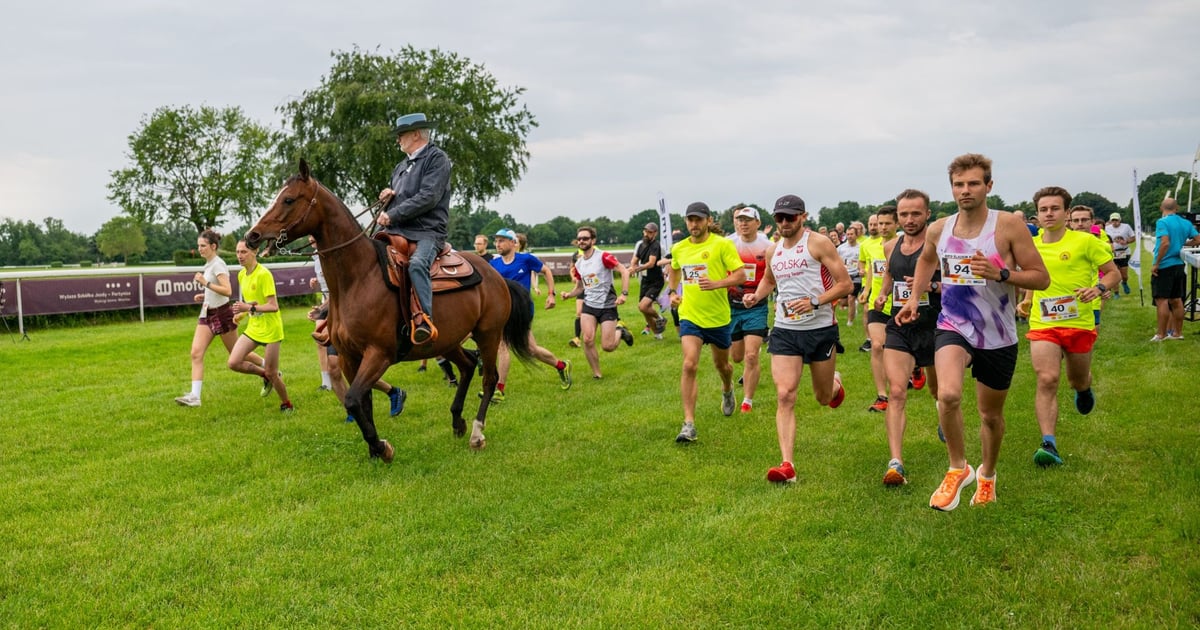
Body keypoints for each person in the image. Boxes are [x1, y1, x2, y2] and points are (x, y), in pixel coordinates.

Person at [895, 153, 1049, 510]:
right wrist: (914, 298)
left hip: (998, 333)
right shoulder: (940, 229)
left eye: (973, 183)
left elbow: (1041, 278)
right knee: (947, 395)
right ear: (952, 188)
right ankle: (957, 467)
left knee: (990, 416)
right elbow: (927, 259)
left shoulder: (1008, 226)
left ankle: (987, 474)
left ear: (988, 186)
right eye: (959, 184)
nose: (965, 190)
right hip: (954, 323)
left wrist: (1002, 274)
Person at [743, 195, 851, 482]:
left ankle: (834, 384)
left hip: (820, 329)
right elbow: (769, 280)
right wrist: (756, 296)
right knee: (785, 394)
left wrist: (814, 302)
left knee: (823, 397)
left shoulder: (818, 243)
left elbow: (845, 284)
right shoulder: (773, 251)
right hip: (785, 330)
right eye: (779, 218)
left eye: (790, 217)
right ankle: (787, 465)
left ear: (803, 216)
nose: (784, 223)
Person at [1016, 187, 1118, 467]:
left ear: (1066, 213)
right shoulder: (1031, 245)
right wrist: (1027, 300)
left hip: (1078, 322)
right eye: (1044, 209)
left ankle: (1083, 389)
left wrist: (1098, 288)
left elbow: (1113, 274)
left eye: (1055, 208)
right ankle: (1048, 443)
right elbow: (1033, 278)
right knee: (1047, 378)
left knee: (1077, 379)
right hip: (1043, 323)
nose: (1049, 214)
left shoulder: (1086, 242)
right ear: (1037, 214)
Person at [875, 190, 941, 486]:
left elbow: (959, 283)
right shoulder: (891, 246)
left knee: (941, 392)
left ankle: (944, 415)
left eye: (916, 213)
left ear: (927, 214)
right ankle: (896, 462)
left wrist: (930, 286)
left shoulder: (939, 244)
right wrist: (882, 294)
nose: (909, 219)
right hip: (900, 324)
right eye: (904, 214)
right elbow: (890, 274)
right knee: (898, 392)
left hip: (936, 324)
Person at [667, 202, 747, 443]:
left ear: (708, 221)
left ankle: (727, 389)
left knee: (723, 366)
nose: (694, 224)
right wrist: (672, 292)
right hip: (690, 315)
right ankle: (688, 424)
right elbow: (674, 269)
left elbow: (740, 275)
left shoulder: (722, 245)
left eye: (699, 219)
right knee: (689, 364)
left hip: (718, 318)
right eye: (690, 220)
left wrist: (717, 283)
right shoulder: (679, 248)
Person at [375, 113, 452, 345]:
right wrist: (388, 197)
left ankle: (423, 321)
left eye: (401, 134)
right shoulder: (401, 166)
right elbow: (402, 197)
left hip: (427, 231)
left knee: (417, 264)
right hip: (398, 230)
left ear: (416, 134)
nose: (398, 139)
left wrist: (392, 214)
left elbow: (429, 197)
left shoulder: (437, 159)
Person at [174, 230, 265, 407]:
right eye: (198, 245)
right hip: (207, 314)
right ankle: (195, 396)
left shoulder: (218, 265)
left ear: (213, 246)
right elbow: (216, 290)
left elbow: (227, 291)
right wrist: (205, 295)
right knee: (196, 353)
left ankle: (267, 369)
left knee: (238, 354)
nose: (199, 249)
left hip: (222, 315)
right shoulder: (209, 264)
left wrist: (206, 283)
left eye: (203, 246)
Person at [489, 228, 572, 398]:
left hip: (522, 310)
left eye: (501, 240)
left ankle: (561, 366)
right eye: (496, 241)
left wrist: (551, 294)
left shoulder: (526, 259)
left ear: (513, 243)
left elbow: (546, 271)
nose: (497, 244)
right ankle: (500, 389)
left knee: (530, 349)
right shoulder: (493, 264)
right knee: (506, 346)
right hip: (503, 310)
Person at [308, 299, 407, 421]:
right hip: (334, 320)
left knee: (358, 371)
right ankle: (352, 412)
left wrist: (323, 310)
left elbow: (343, 292)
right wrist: (321, 310)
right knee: (333, 370)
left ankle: (392, 392)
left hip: (350, 320)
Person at [228, 240, 294, 412]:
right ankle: (263, 374)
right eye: (237, 252)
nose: (239, 256)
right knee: (233, 362)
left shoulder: (264, 274)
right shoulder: (241, 275)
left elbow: (273, 306)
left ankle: (287, 404)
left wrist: (248, 308)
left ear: (255, 252)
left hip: (271, 329)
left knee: (273, 372)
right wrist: (242, 314)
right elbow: (254, 303)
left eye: (244, 252)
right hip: (254, 327)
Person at [560, 226, 633, 379]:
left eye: (585, 238)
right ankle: (597, 373)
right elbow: (580, 287)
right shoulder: (579, 264)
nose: (581, 241)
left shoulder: (603, 257)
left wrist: (624, 294)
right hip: (589, 305)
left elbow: (624, 271)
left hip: (607, 305)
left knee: (608, 346)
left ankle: (620, 332)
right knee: (587, 339)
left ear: (593, 240)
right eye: (579, 239)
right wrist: (569, 294)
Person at [727, 206, 772, 413]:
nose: (743, 223)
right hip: (732, 306)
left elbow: (772, 278)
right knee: (736, 357)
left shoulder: (768, 247)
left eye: (748, 220)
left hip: (756, 306)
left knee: (751, 356)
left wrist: (756, 296)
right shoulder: (728, 244)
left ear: (758, 223)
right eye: (740, 220)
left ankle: (747, 401)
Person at [860, 206, 898, 412]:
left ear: (896, 224)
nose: (883, 227)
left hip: (900, 304)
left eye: (887, 223)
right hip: (878, 302)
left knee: (902, 348)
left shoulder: (904, 244)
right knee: (877, 346)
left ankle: (916, 368)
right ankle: (882, 396)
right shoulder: (869, 246)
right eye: (880, 223)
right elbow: (870, 271)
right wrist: (866, 291)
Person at [1151, 198, 1200, 340]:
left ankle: (1161, 334)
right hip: (1179, 264)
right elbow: (1198, 239)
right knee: (1176, 300)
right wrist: (1183, 244)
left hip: (1165, 265)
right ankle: (1177, 333)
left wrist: (1156, 263)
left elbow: (1165, 243)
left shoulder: (1162, 222)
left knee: (1162, 300)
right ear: (1177, 208)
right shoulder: (1186, 223)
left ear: (1161, 208)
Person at [628, 222, 667, 339]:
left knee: (643, 306)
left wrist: (637, 269)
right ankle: (657, 333)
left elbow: (651, 263)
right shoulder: (641, 245)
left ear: (655, 233)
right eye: (645, 231)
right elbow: (634, 259)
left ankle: (660, 318)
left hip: (656, 281)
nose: (646, 234)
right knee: (645, 309)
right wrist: (632, 267)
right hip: (645, 280)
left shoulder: (656, 246)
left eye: (649, 232)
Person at [836, 223, 862, 327]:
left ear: (856, 235)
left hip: (856, 276)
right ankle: (854, 304)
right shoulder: (841, 248)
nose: (849, 236)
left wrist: (861, 269)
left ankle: (850, 322)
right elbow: (836, 261)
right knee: (842, 302)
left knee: (851, 297)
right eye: (848, 234)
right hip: (845, 276)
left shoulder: (861, 247)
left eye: (852, 234)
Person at [1104, 213, 1135, 294]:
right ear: (1110, 221)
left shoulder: (1126, 227)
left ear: (1120, 220)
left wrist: (1126, 241)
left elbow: (1133, 238)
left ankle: (1124, 282)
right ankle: (1116, 293)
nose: (1115, 222)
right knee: (1114, 273)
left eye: (1116, 220)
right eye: (1113, 220)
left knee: (1124, 275)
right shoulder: (1107, 228)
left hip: (1124, 252)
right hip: (1112, 252)